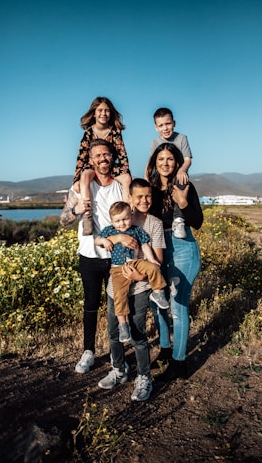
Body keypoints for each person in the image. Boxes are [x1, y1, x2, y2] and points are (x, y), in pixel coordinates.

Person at [60, 139, 134, 374]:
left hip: (117, 257)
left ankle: (116, 354)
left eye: (106, 155)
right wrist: (75, 210)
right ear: (91, 160)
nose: (103, 159)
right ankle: (88, 351)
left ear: (112, 157)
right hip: (89, 255)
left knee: (117, 306)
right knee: (91, 305)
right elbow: (63, 220)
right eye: (98, 156)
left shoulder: (121, 187)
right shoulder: (80, 188)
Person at [97, 178, 166, 401]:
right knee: (114, 332)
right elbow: (98, 240)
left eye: (148, 196)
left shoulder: (153, 224)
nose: (144, 200)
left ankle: (144, 377)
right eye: (139, 196)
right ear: (130, 199)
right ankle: (119, 369)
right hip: (114, 285)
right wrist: (117, 237)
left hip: (140, 286)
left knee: (137, 334)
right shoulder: (118, 220)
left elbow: (157, 259)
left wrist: (139, 276)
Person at [146, 143, 203, 381]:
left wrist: (182, 201)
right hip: (157, 247)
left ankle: (179, 363)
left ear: (177, 162)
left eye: (170, 159)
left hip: (182, 248)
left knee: (178, 307)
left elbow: (197, 221)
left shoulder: (185, 186)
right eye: (161, 159)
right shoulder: (149, 188)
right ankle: (165, 350)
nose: (165, 163)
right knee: (157, 302)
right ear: (154, 162)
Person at [94, 201, 168, 343]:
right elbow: (96, 241)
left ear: (131, 216)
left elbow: (145, 245)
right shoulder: (109, 231)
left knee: (154, 268)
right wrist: (104, 241)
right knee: (119, 295)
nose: (122, 223)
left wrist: (152, 260)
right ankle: (123, 324)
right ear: (112, 221)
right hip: (118, 268)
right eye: (118, 220)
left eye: (125, 219)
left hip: (136, 263)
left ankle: (158, 293)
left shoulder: (136, 230)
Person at [73, 97, 132, 236]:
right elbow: (81, 158)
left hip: (112, 166)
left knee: (127, 179)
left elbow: (122, 155)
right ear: (94, 113)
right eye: (100, 110)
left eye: (107, 111)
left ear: (111, 113)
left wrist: (125, 173)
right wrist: (76, 179)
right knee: (86, 175)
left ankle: (127, 212)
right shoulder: (88, 132)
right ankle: (87, 216)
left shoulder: (115, 132)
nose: (103, 114)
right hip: (92, 166)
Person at [148, 107, 193, 239]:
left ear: (174, 123)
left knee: (182, 180)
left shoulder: (181, 138)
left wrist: (181, 169)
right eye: (161, 125)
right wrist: (147, 179)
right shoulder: (155, 142)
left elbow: (187, 160)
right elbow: (151, 162)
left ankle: (178, 220)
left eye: (168, 124)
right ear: (156, 127)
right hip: (160, 177)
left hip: (178, 176)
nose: (165, 128)